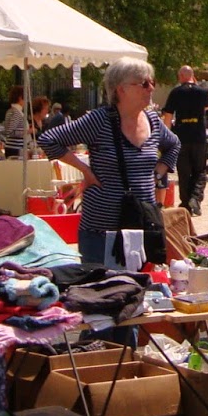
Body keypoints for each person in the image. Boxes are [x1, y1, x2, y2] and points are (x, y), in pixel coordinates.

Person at [39, 58, 179, 267]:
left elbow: (174, 145)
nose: (151, 88)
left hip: (140, 228)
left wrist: (157, 174)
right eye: (143, 83)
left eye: (152, 82)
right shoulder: (99, 120)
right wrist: (85, 170)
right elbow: (48, 140)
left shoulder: (152, 121)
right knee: (101, 292)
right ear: (120, 89)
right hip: (101, 232)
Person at [161, 64, 208, 216]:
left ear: (180, 77)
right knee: (200, 170)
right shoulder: (203, 91)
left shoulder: (176, 92)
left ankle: (185, 202)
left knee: (184, 171)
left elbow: (168, 115)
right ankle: (195, 198)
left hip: (181, 136)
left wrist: (166, 136)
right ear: (192, 76)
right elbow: (206, 107)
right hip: (198, 135)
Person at [1, 85, 28, 157]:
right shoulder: (16, 112)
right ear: (20, 98)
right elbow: (10, 131)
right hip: (15, 148)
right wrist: (28, 131)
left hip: (14, 147)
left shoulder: (11, 111)